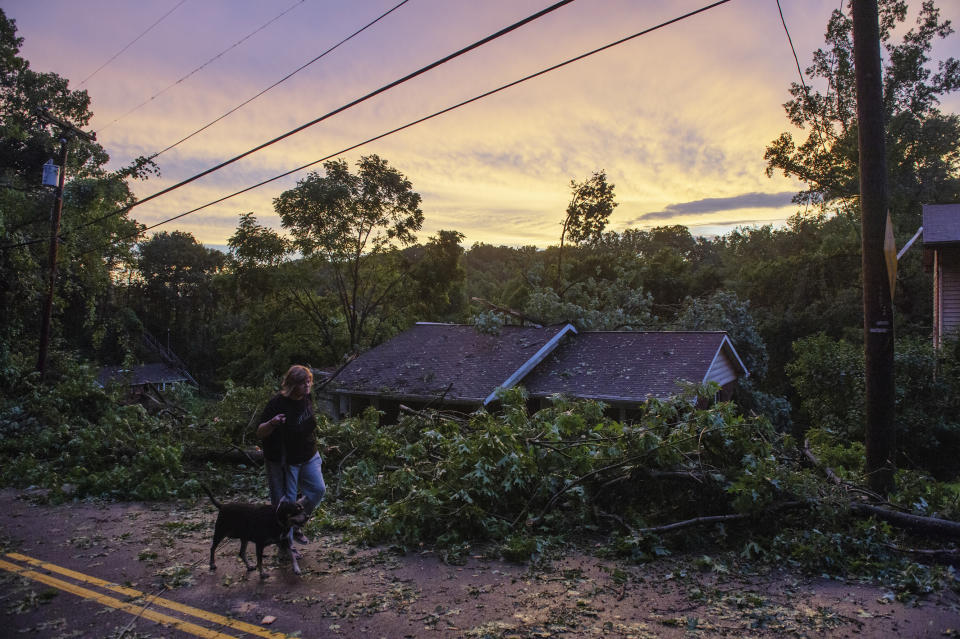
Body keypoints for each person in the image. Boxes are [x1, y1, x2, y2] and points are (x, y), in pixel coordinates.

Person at [256, 365, 326, 553]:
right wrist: (273, 422)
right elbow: (260, 431)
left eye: (309, 381)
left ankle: (295, 525)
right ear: (292, 385)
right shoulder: (277, 404)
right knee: (282, 502)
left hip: (308, 455)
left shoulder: (307, 397)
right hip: (282, 461)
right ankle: (284, 545)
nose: (307, 385)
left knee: (318, 490)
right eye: (303, 383)